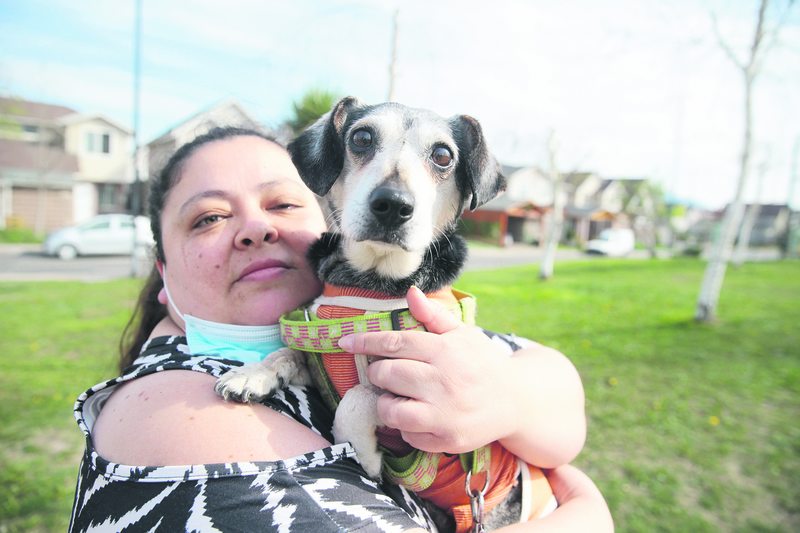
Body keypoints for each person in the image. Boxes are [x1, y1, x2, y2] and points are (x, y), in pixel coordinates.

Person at [69, 127, 612, 532]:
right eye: (208, 218)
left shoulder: (364, 307)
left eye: (282, 203)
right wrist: (582, 518)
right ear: (163, 274)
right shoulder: (180, 420)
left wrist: (510, 398)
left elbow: (555, 380)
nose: (256, 227)